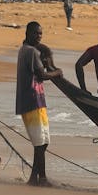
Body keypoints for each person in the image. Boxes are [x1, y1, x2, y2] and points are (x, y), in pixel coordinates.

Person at [16, 21, 63, 186]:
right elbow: (42, 75)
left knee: (42, 142)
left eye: (41, 34)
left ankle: (33, 178)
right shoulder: (31, 52)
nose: (39, 36)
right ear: (27, 33)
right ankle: (41, 178)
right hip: (32, 101)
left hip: (34, 101)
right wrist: (58, 72)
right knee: (41, 142)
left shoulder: (25, 50)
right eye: (36, 33)